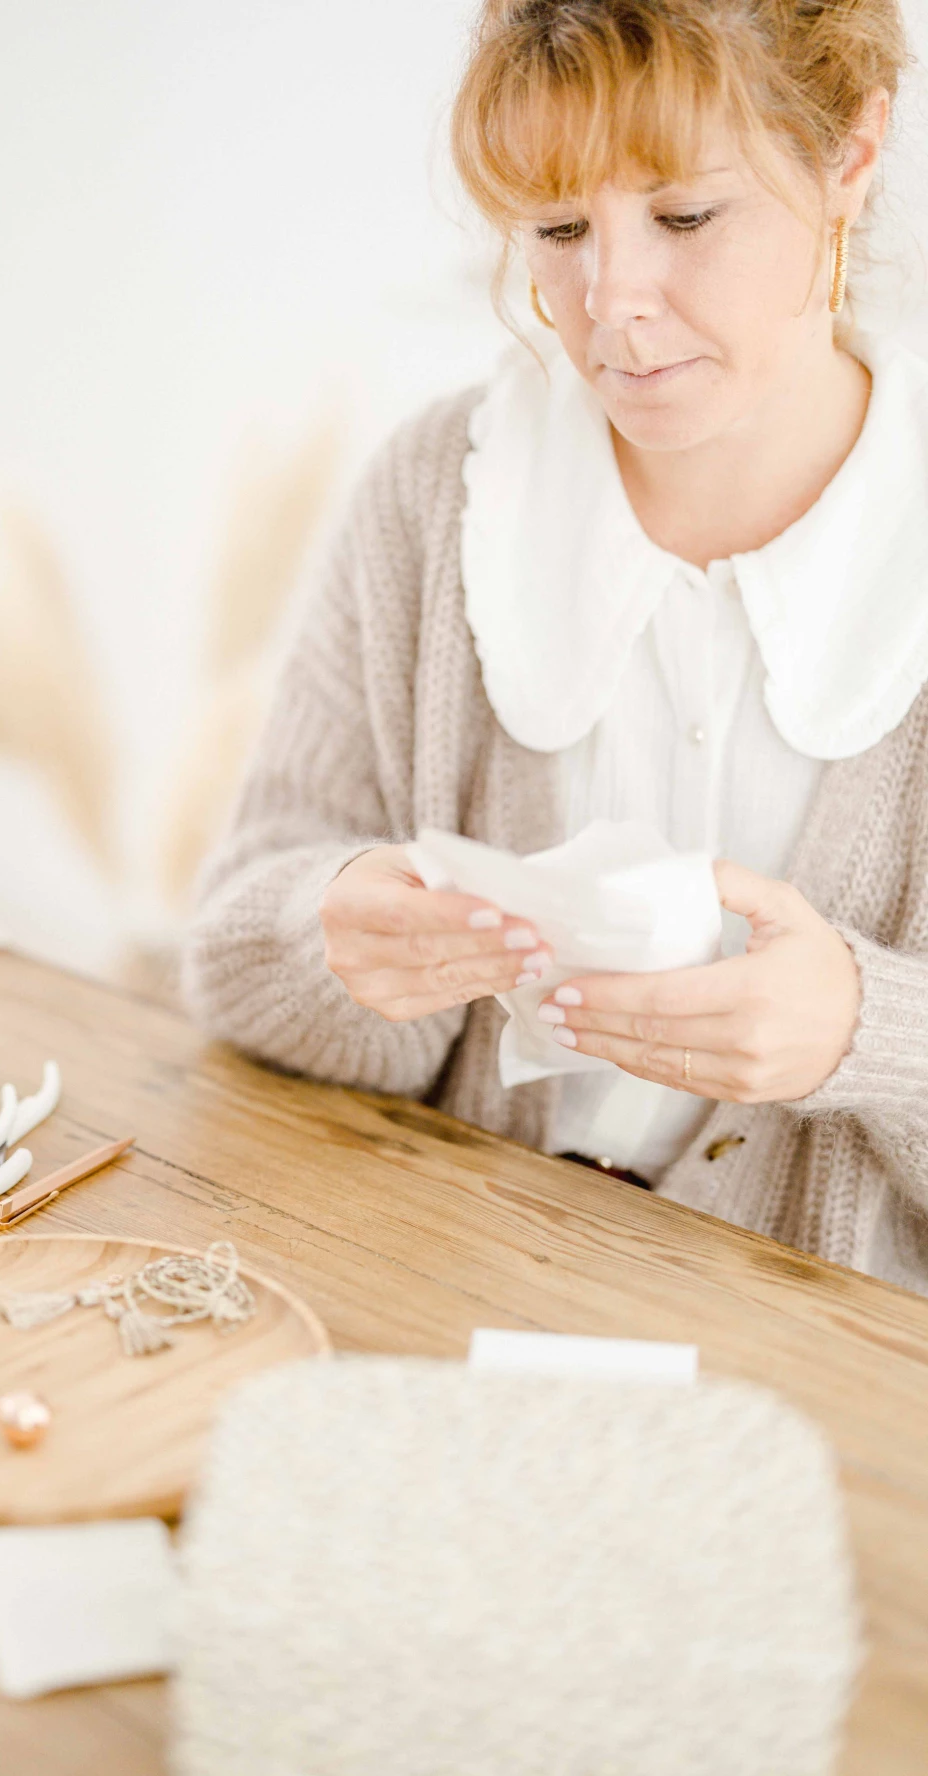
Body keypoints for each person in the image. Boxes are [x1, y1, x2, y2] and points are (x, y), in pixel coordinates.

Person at [182, 0, 928, 1292]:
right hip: (459, 1311)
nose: (610, 305)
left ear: (850, 158)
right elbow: (236, 957)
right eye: (559, 229)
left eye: (686, 217)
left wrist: (867, 1035)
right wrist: (338, 938)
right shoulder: (439, 500)